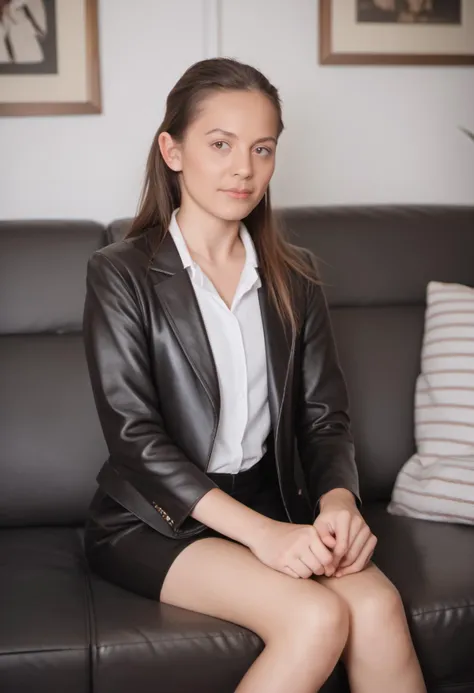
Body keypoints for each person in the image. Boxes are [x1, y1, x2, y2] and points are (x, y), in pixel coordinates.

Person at [82, 57, 426, 693]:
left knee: (377, 606)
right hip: (156, 523)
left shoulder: (295, 276)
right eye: (221, 144)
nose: (244, 168)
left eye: (262, 148)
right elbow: (134, 439)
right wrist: (264, 537)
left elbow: (325, 421)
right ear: (173, 150)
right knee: (317, 617)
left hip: (273, 503)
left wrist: (338, 504)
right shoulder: (120, 273)